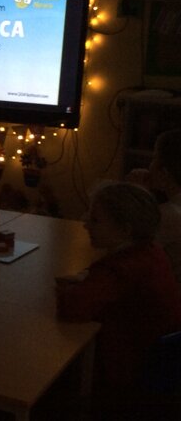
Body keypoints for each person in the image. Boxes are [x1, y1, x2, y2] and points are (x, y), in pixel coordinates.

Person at [55, 181, 181, 392]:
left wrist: (67, 290)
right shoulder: (151, 251)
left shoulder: (120, 269)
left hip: (130, 367)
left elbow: (73, 308)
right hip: (162, 359)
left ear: (124, 230)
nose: (85, 223)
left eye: (95, 220)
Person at [126, 129, 181, 287]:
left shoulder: (169, 216)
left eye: (154, 158)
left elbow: (124, 250)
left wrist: (135, 194)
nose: (149, 166)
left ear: (165, 173)